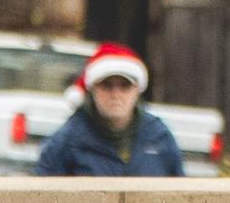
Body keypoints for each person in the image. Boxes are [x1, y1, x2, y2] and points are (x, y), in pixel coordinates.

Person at [32, 44, 183, 177]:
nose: (115, 94)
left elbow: (179, 194)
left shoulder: (159, 137)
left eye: (125, 86)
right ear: (92, 90)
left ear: (137, 90)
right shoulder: (66, 141)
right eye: (106, 85)